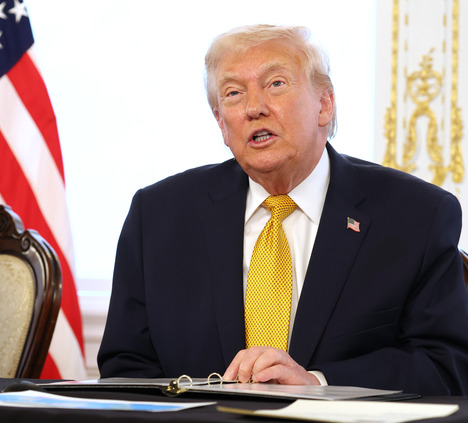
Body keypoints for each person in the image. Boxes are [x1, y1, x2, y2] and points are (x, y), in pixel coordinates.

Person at [97, 24, 468, 396]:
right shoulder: (158, 216)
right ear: (221, 124)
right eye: (233, 93)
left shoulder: (415, 216)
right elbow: (126, 369)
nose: (254, 108)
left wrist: (318, 384)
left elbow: (445, 367)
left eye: (276, 84)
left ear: (325, 104)